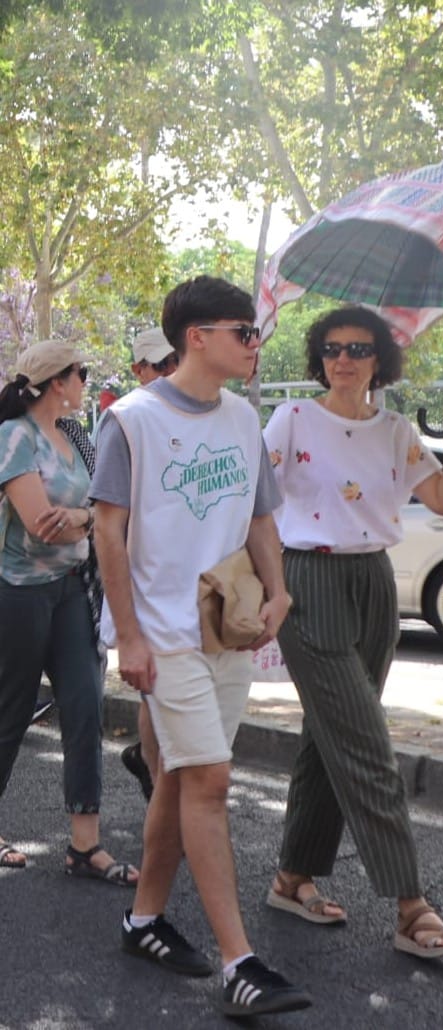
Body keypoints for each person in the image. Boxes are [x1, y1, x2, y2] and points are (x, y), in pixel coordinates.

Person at [91, 276, 312, 1018]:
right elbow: (108, 535)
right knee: (211, 782)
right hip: (163, 633)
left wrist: (278, 591)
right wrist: (127, 635)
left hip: (229, 624)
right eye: (243, 333)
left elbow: (258, 519)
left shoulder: (245, 421)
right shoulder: (131, 421)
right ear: (197, 337)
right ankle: (239, 964)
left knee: (185, 779)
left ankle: (143, 920)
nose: (254, 345)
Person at [263, 306, 443, 959]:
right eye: (330, 348)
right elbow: (252, 498)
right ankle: (411, 905)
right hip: (309, 581)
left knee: (327, 738)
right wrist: (269, 588)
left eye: (356, 348)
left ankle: (291, 876)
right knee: (366, 745)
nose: (342, 358)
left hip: (374, 586)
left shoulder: (393, 430)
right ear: (317, 357)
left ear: (378, 357)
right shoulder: (292, 418)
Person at [0, 339, 139, 884]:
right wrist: (90, 520)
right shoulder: (14, 437)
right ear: (58, 381)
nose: (86, 379)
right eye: (80, 372)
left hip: (74, 590)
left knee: (84, 709)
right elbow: (41, 523)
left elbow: (102, 511)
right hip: (21, 594)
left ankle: (86, 846)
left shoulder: (77, 436)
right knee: (11, 713)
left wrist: (82, 518)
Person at [117, 327, 178, 801]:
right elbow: (106, 524)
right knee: (152, 689)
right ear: (139, 371)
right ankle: (160, 788)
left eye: (176, 362)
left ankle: (153, 770)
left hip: (188, 581)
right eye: (160, 366)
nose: (170, 374)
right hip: (140, 575)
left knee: (158, 694)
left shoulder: (209, 415)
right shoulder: (125, 422)